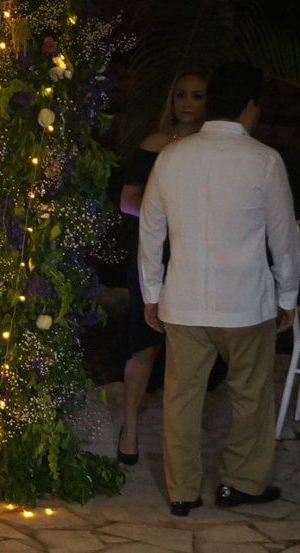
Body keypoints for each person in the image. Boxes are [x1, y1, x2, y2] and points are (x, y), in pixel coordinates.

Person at [139, 61, 300, 517]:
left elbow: (151, 231)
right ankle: (241, 483)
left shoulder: (172, 156)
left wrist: (152, 291)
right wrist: (287, 296)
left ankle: (181, 491)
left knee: (181, 398)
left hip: (184, 300)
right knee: (250, 396)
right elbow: (282, 238)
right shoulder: (265, 160)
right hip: (246, 303)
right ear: (251, 106)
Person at [116, 69, 208, 464]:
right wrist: (165, 217)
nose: (187, 104)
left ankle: (180, 441)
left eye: (197, 96)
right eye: (181, 95)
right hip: (155, 252)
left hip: (198, 253)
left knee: (191, 348)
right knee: (145, 344)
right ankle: (130, 430)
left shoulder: (213, 147)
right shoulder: (154, 144)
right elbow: (126, 200)